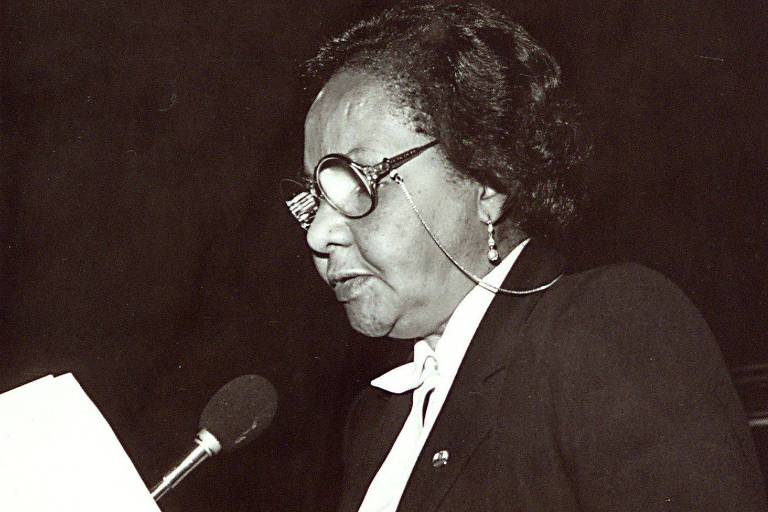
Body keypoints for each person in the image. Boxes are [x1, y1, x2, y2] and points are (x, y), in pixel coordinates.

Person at [280, 2, 767, 510]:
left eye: (356, 182)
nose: (318, 233)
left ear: (487, 181)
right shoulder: (377, 421)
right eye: (313, 200)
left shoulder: (607, 325)